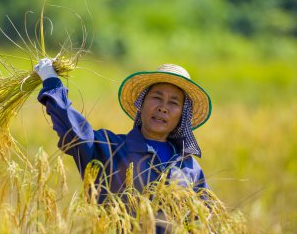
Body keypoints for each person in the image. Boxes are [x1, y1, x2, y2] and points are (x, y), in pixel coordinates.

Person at [34, 59, 212, 204]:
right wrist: (51, 83)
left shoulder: (190, 168)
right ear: (141, 104)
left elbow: (205, 221)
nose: (163, 108)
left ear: (182, 115)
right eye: (157, 97)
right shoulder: (110, 148)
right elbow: (74, 131)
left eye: (173, 103)